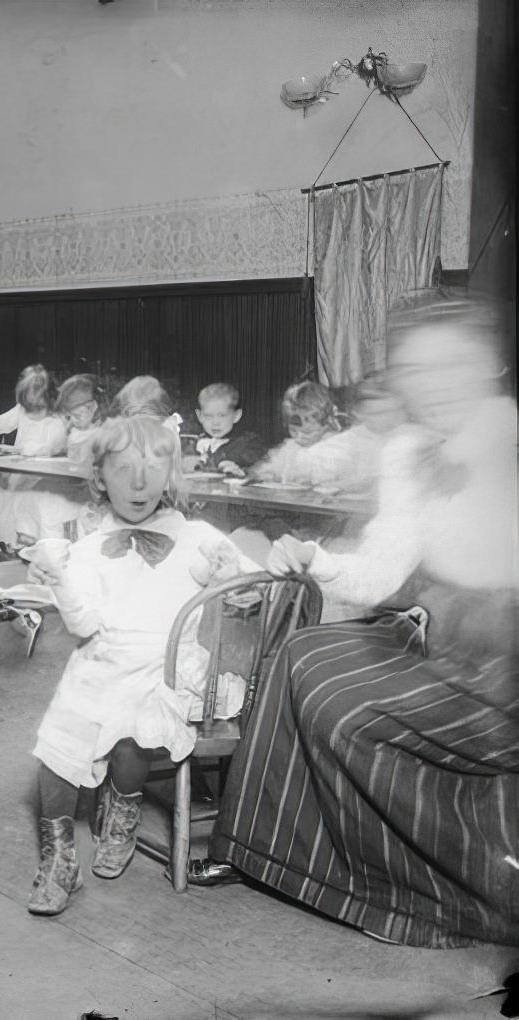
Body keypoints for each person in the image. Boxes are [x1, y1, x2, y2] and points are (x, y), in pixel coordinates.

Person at [196, 297, 518, 948]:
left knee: (350, 709)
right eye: (416, 372)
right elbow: (380, 570)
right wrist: (317, 558)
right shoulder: (406, 450)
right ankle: (262, 853)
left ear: (495, 363)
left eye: (453, 365)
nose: (435, 386)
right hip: (443, 629)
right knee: (301, 653)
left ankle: (456, 894)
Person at [23, 414, 254, 916]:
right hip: (102, 658)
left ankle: (122, 809)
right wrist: (59, 575)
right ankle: (60, 861)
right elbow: (83, 625)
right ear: (100, 476)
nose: (139, 481)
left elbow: (253, 587)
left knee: (133, 723)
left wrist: (233, 574)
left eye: (153, 466)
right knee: (59, 740)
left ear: (171, 473)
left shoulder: (196, 535)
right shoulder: (86, 547)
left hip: (169, 665)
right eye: (123, 467)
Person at [0, 365, 78, 550]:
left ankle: (25, 541)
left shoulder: (57, 422)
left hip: (46, 476)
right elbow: (2, 422)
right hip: (20, 471)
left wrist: (15, 449)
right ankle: (4, 539)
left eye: (36, 409)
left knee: (23, 499)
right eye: (26, 408)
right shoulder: (22, 410)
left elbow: (47, 448)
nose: (30, 414)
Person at [245, 381, 346, 485]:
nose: (298, 437)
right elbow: (262, 470)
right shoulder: (291, 447)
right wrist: (255, 474)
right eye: (293, 431)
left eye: (307, 432)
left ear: (327, 425)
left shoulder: (336, 450)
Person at [185, 382, 267, 475]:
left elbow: (263, 472)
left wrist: (242, 472)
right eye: (208, 416)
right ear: (199, 416)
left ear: (237, 415)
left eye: (222, 415)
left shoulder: (249, 444)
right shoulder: (196, 443)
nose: (215, 422)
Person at [57, 373, 107, 466]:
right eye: (71, 415)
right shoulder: (70, 428)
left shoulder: (97, 433)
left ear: (92, 406)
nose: (74, 419)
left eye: (77, 415)